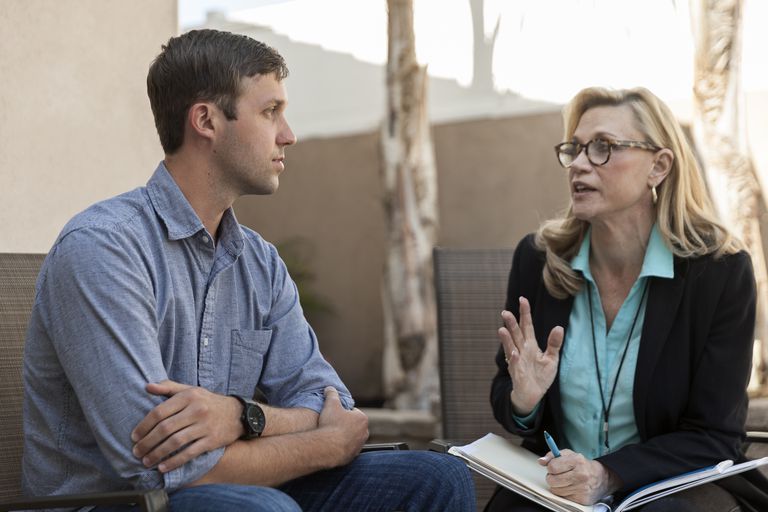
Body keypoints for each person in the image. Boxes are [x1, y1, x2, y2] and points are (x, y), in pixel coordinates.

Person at [21, 29, 475, 512]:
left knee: (438, 478)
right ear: (206, 121)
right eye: (270, 111)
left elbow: (335, 407)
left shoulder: (259, 264)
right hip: (120, 504)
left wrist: (242, 417)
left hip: (233, 487)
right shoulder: (103, 249)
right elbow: (160, 466)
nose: (289, 134)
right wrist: (322, 444)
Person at [487, 86, 768, 512]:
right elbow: (507, 396)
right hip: (558, 488)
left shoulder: (719, 273)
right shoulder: (540, 260)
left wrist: (607, 475)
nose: (579, 164)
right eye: (575, 149)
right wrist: (524, 401)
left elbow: (715, 433)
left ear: (659, 166)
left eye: (603, 148)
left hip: (671, 486)